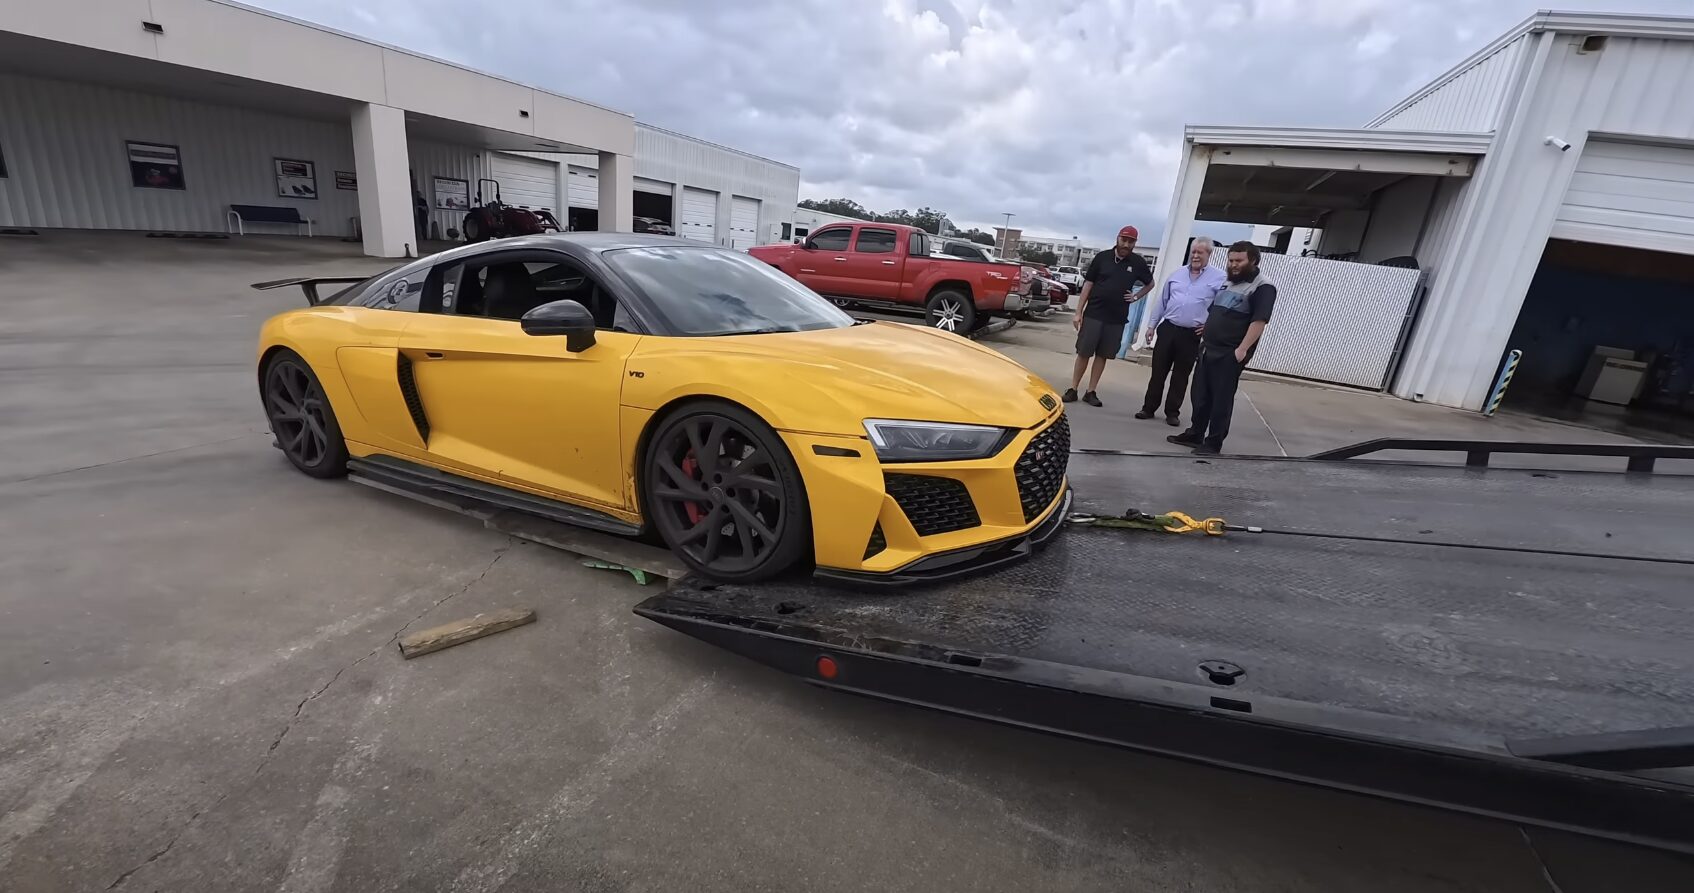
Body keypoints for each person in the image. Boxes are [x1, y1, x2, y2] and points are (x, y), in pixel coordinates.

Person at [1167, 241, 1276, 455]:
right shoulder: (1228, 282)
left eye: (1239, 261)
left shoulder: (1263, 287)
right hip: (1209, 348)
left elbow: (1259, 321)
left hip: (1230, 352)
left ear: (1253, 261)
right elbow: (1215, 310)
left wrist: (1242, 350)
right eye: (1231, 260)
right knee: (1200, 395)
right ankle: (1196, 434)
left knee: (1221, 400)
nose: (1233, 264)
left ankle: (1213, 442)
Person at [1136, 237, 1226, 426]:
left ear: (1209, 254)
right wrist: (1151, 326)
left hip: (1192, 334)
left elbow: (1221, 307)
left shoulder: (1219, 278)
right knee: (1158, 372)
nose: (1195, 256)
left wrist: (1209, 326)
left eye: (1200, 252)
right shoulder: (1176, 274)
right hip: (1168, 329)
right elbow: (1162, 301)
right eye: (1193, 252)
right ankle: (1148, 408)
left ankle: (1172, 412)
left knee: (1181, 375)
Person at [1067, 225, 1154, 406]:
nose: (1126, 244)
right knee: (1084, 352)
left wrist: (1136, 296)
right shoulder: (1102, 258)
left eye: (1130, 241)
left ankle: (1091, 391)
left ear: (1135, 243)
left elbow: (1150, 283)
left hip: (1116, 318)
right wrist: (1078, 312)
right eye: (1124, 240)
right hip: (1094, 314)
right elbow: (1088, 285)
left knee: (1103, 355)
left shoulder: (1137, 262)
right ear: (1118, 238)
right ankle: (1073, 389)